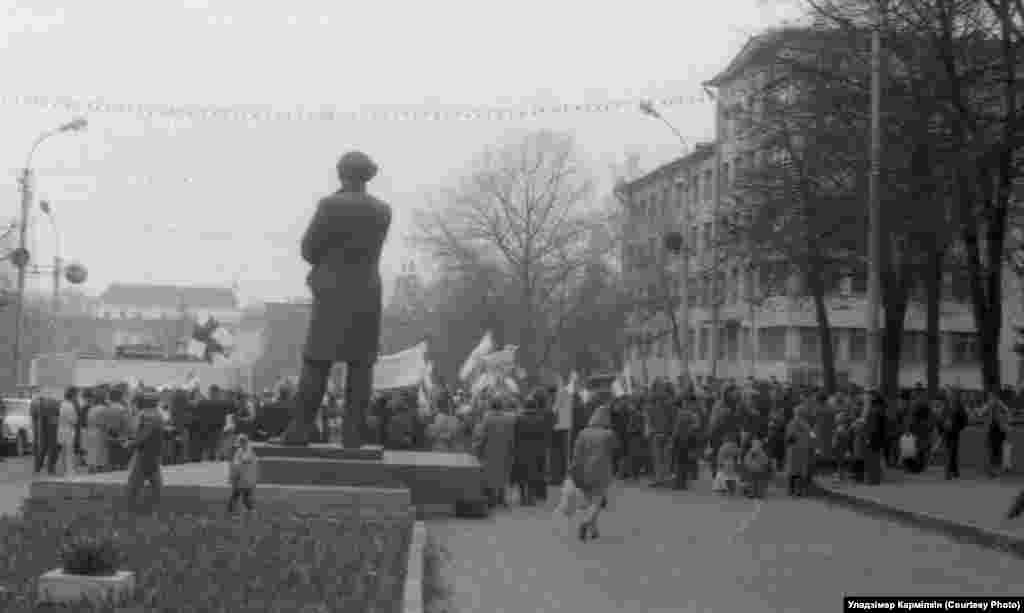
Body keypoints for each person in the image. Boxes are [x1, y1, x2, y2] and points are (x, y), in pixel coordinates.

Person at [283, 151, 393, 447]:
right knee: (361, 364)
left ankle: (300, 430)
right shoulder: (383, 210)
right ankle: (353, 435)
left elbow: (308, 249)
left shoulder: (330, 205)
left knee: (317, 360)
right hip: (368, 291)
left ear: (342, 173)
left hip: (332, 291)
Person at [569, 403, 619, 541]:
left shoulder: (582, 433)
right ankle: (586, 522)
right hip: (602, 470)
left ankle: (594, 530)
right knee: (597, 502)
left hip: (584, 471)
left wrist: (574, 468)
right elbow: (615, 450)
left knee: (589, 500)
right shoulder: (608, 434)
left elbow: (576, 454)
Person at [472, 397, 518, 508]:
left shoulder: (487, 418)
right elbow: (512, 436)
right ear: (502, 406)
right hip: (505, 449)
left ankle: (492, 499)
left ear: (491, 405)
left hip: (490, 449)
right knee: (503, 474)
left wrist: (478, 447)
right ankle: (502, 498)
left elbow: (482, 435)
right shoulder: (509, 418)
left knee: (490, 475)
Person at [124, 394, 166, 506]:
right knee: (154, 477)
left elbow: (144, 434)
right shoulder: (157, 414)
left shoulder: (149, 415)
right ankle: (158, 501)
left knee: (136, 479)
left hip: (146, 451)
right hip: (154, 450)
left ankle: (130, 502)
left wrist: (131, 443)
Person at [512, 391, 550, 506]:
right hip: (536, 451)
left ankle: (523, 497)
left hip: (521, 450)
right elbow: (544, 436)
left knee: (521, 475)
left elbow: (515, 435)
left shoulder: (519, 419)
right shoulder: (541, 419)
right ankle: (531, 497)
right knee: (534, 475)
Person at [938, 393, 968, 479]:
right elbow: (940, 419)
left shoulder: (959, 407)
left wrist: (957, 427)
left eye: (953, 396)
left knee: (953, 452)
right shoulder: (945, 407)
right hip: (946, 433)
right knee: (949, 452)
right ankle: (948, 473)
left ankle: (954, 471)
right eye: (950, 396)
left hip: (954, 433)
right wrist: (943, 426)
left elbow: (965, 420)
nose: (951, 398)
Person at [228, 433, 260, 513]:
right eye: (240, 442)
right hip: (241, 479)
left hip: (245, 479)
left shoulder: (249, 451)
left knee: (242, 496)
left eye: (242, 442)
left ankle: (249, 510)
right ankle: (232, 509)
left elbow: (245, 460)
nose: (240, 444)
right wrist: (233, 476)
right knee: (238, 495)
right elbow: (236, 464)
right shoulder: (240, 451)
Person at [58, 387, 79, 476]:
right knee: (69, 453)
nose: (76, 397)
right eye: (76, 395)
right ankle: (69, 472)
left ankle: (62, 471)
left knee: (63, 453)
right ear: (72, 395)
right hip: (69, 431)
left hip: (61, 431)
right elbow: (74, 420)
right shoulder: (70, 406)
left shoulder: (62, 404)